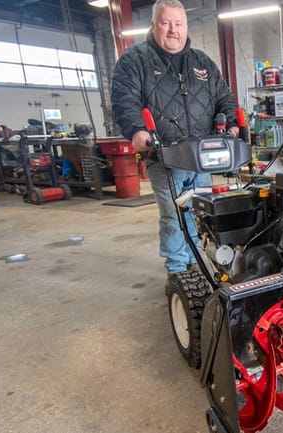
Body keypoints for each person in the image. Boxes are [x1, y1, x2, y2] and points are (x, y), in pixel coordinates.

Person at [111, 0, 239, 274]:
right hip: (164, 155)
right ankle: (178, 270)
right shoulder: (134, 61)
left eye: (178, 24)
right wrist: (137, 130)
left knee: (198, 212)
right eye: (166, 23)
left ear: (186, 26)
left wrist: (231, 124)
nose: (172, 30)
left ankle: (195, 261)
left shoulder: (202, 62)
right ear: (154, 25)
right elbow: (125, 101)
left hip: (202, 156)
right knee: (173, 215)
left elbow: (224, 99)